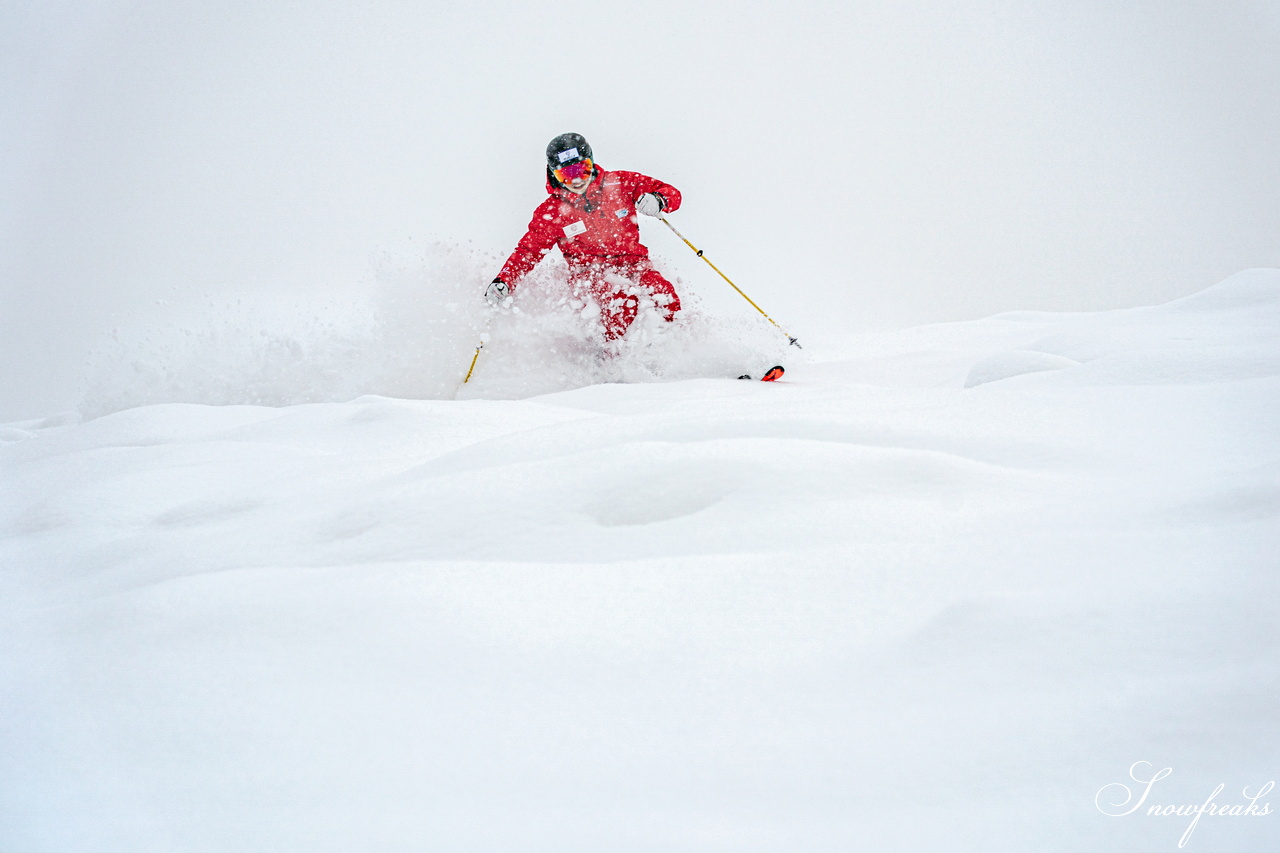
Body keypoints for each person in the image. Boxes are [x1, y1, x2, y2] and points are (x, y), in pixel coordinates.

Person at [486, 133, 682, 340]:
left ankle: (670, 347)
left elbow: (672, 193)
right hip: (589, 273)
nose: (577, 179)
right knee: (621, 298)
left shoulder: (621, 183)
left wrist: (659, 200)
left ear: (591, 162)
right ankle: (614, 357)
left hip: (634, 263)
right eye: (567, 175)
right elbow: (528, 251)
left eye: (582, 169)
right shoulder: (552, 211)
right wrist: (505, 279)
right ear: (554, 175)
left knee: (664, 294)